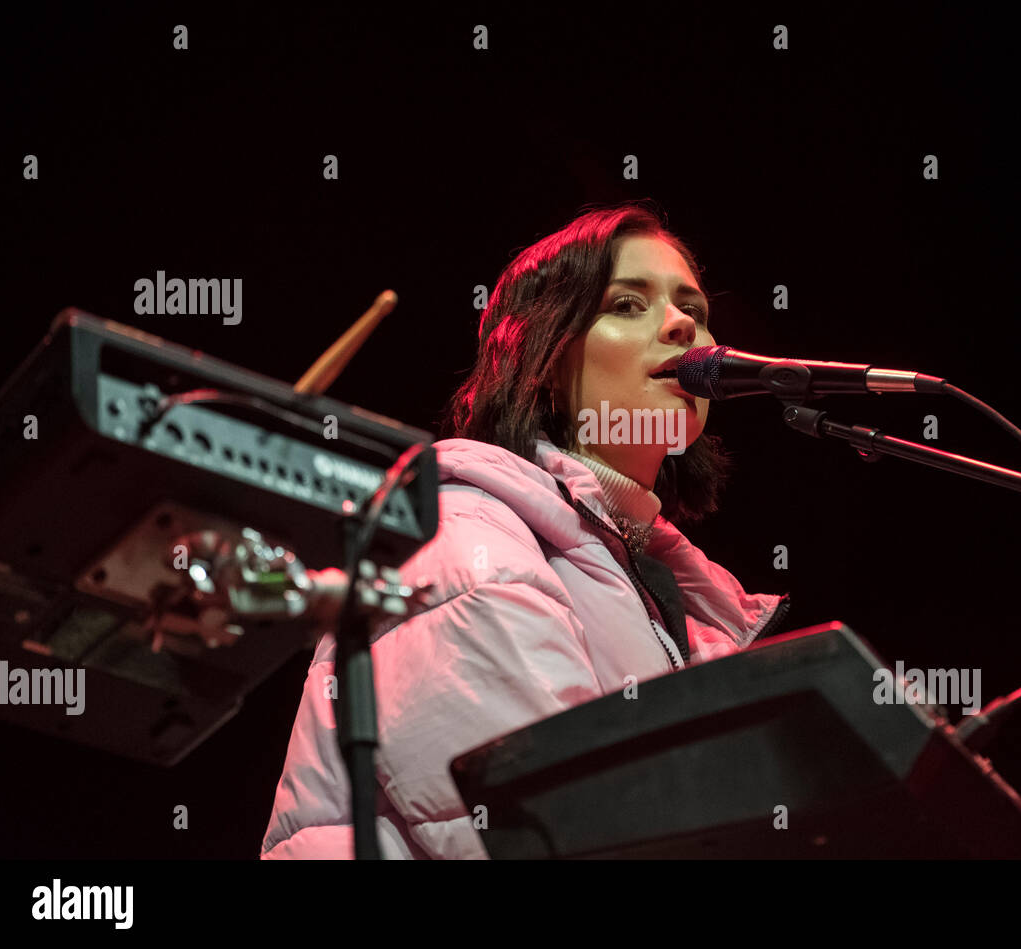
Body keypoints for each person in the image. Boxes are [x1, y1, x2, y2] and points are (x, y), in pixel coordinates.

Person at [259, 200, 792, 859]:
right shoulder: (466, 530)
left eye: (696, 309)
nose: (684, 324)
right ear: (544, 351)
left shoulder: (671, 591)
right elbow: (566, 827)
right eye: (628, 304)